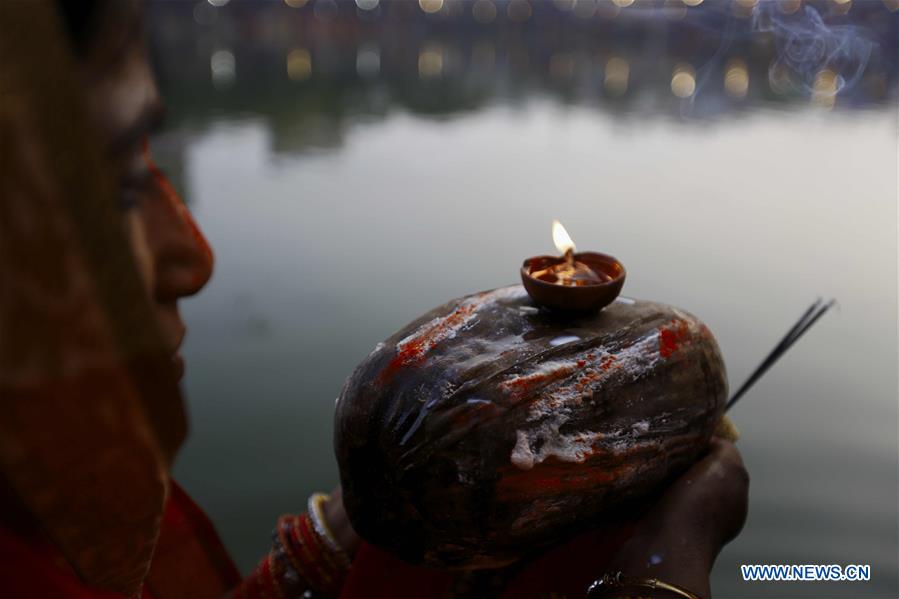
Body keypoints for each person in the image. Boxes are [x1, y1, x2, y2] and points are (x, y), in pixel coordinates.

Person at [0, 1, 748, 597]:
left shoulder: (53, 509)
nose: (194, 259)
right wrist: (661, 572)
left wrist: (352, 525)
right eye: (117, 189)